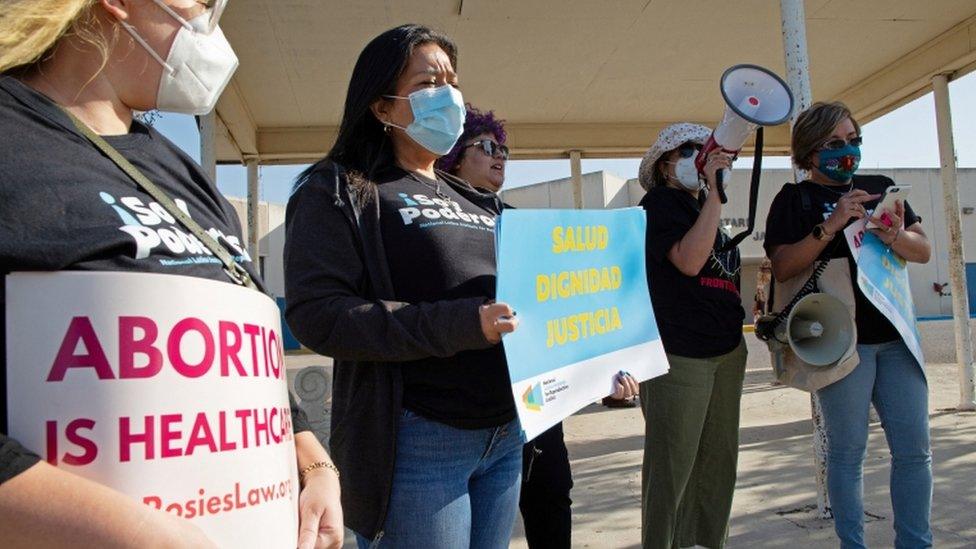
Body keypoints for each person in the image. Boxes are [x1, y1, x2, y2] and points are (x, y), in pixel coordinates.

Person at [0, 2, 341, 548]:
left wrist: (314, 464)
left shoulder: (180, 172)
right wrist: (137, 534)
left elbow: (247, 356)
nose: (215, 26)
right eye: (205, 4)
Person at [284, 25, 524, 549]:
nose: (449, 95)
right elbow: (319, 315)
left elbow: (533, 295)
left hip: (506, 435)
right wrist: (462, 323)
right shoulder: (339, 189)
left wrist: (593, 356)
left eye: (452, 81)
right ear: (382, 108)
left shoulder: (478, 200)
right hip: (420, 439)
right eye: (428, 82)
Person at [436, 105, 637, 549]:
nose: (500, 157)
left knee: (550, 500)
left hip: (538, 408)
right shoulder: (432, 225)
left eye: (503, 148)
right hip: (466, 411)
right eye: (486, 147)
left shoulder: (528, 227)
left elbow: (567, 313)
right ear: (451, 155)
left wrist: (602, 376)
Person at [764, 101, 932, 549]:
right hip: (840, 346)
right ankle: (852, 543)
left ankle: (916, 542)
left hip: (896, 341)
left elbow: (923, 251)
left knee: (914, 452)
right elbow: (782, 267)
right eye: (834, 144)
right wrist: (832, 224)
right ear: (809, 153)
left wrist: (894, 235)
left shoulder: (881, 189)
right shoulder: (794, 200)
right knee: (848, 452)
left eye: (854, 140)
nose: (848, 151)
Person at [636, 123, 747, 549]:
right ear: (665, 164)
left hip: (723, 352)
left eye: (707, 151)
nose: (699, 158)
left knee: (717, 465)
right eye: (688, 150)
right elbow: (688, 260)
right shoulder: (661, 204)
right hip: (681, 354)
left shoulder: (704, 209)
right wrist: (715, 196)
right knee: (672, 467)